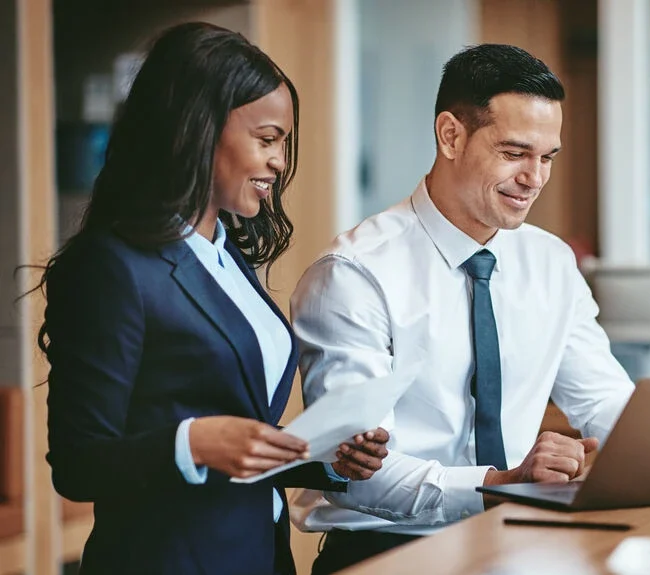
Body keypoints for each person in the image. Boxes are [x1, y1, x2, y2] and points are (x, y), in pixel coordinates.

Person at [39, 22, 389, 575]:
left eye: (284, 144)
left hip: (261, 556)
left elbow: (240, 434)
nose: (279, 161)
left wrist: (325, 460)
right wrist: (193, 441)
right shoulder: (113, 266)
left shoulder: (227, 257)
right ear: (199, 129)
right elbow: (79, 463)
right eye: (267, 138)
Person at [290, 43, 634, 573]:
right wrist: (497, 484)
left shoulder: (550, 262)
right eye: (515, 153)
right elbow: (356, 473)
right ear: (451, 135)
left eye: (547, 157)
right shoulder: (356, 274)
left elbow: (604, 400)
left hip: (520, 546)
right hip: (388, 556)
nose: (535, 178)